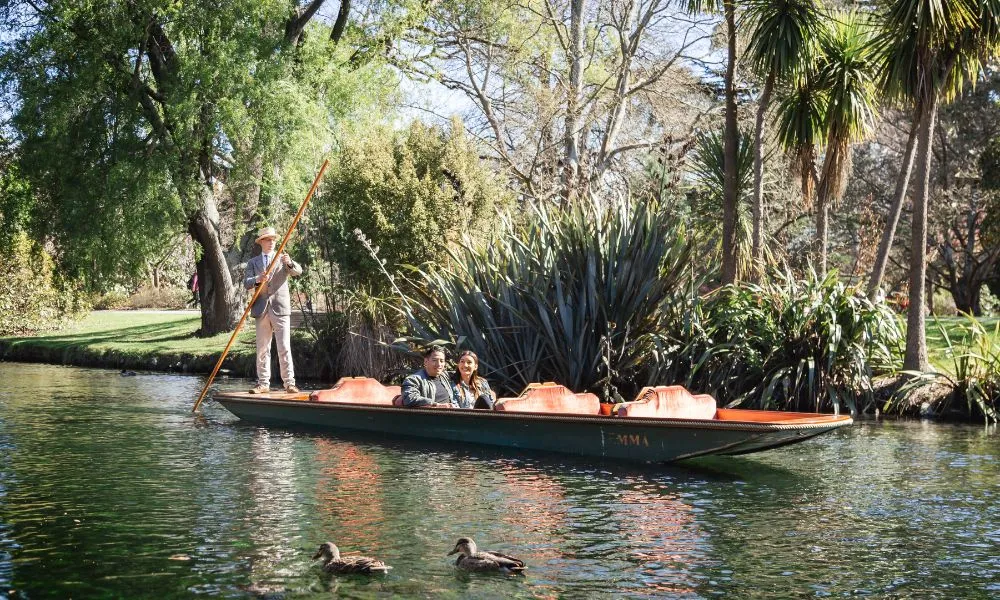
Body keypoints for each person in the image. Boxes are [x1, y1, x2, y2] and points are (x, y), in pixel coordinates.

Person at [244, 226, 303, 394]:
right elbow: (246, 283)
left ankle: (289, 383)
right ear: (261, 242)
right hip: (261, 309)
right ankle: (263, 383)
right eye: (268, 240)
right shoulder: (253, 262)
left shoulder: (282, 259)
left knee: (284, 346)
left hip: (280, 308)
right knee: (262, 348)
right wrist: (258, 279)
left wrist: (289, 263)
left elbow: (297, 271)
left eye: (273, 240)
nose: (271, 243)